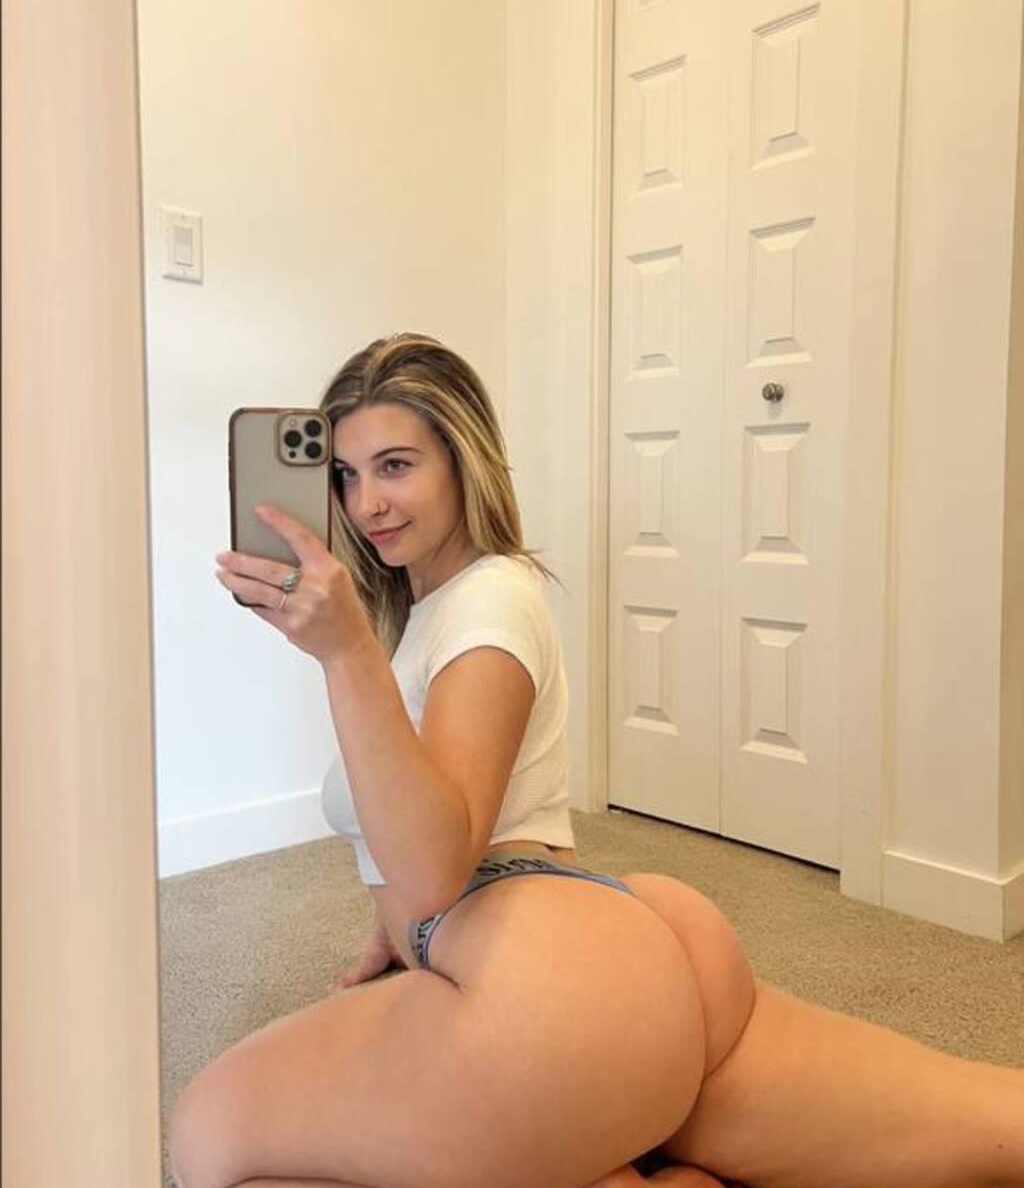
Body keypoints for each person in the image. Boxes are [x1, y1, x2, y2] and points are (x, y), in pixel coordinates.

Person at [169, 333, 1023, 1188]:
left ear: (465, 461)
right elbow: (436, 799)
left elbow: (433, 872)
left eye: (395, 466)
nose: (367, 504)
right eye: (345, 476)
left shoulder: (484, 610)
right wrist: (383, 925)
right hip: (607, 945)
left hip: (549, 980)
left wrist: (346, 652)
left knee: (210, 1135)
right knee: (991, 1125)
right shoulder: (453, 604)